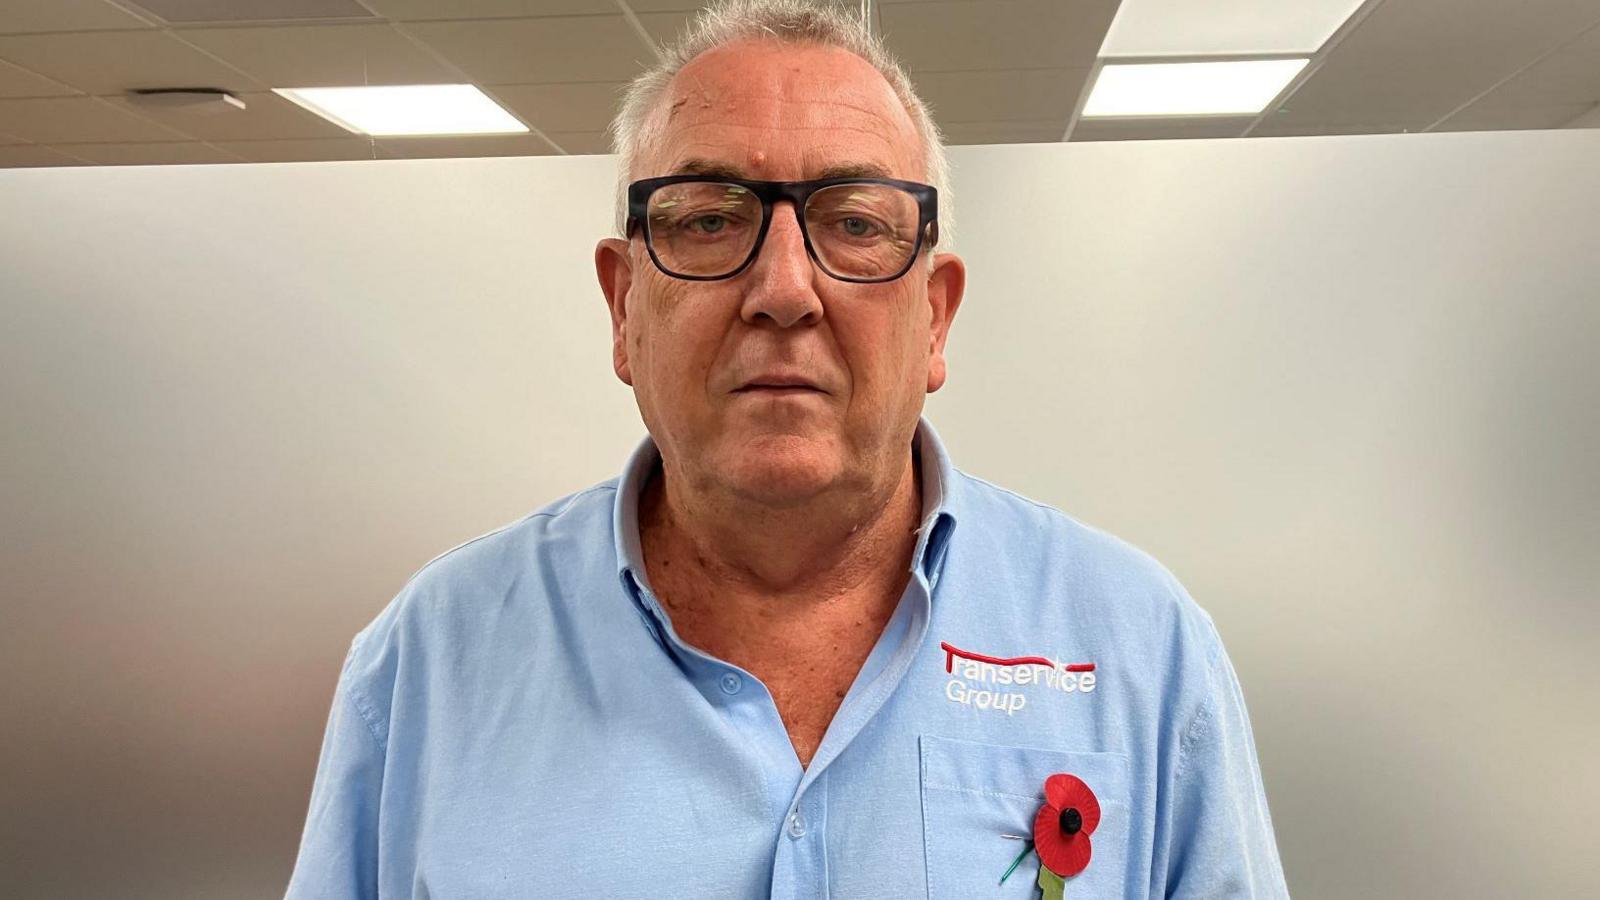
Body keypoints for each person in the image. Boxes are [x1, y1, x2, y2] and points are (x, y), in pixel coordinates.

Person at [284, 1, 1289, 897]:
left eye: (853, 224)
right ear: (623, 305)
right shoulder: (426, 671)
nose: (782, 290)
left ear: (934, 318)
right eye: (710, 219)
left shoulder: (1140, 656)